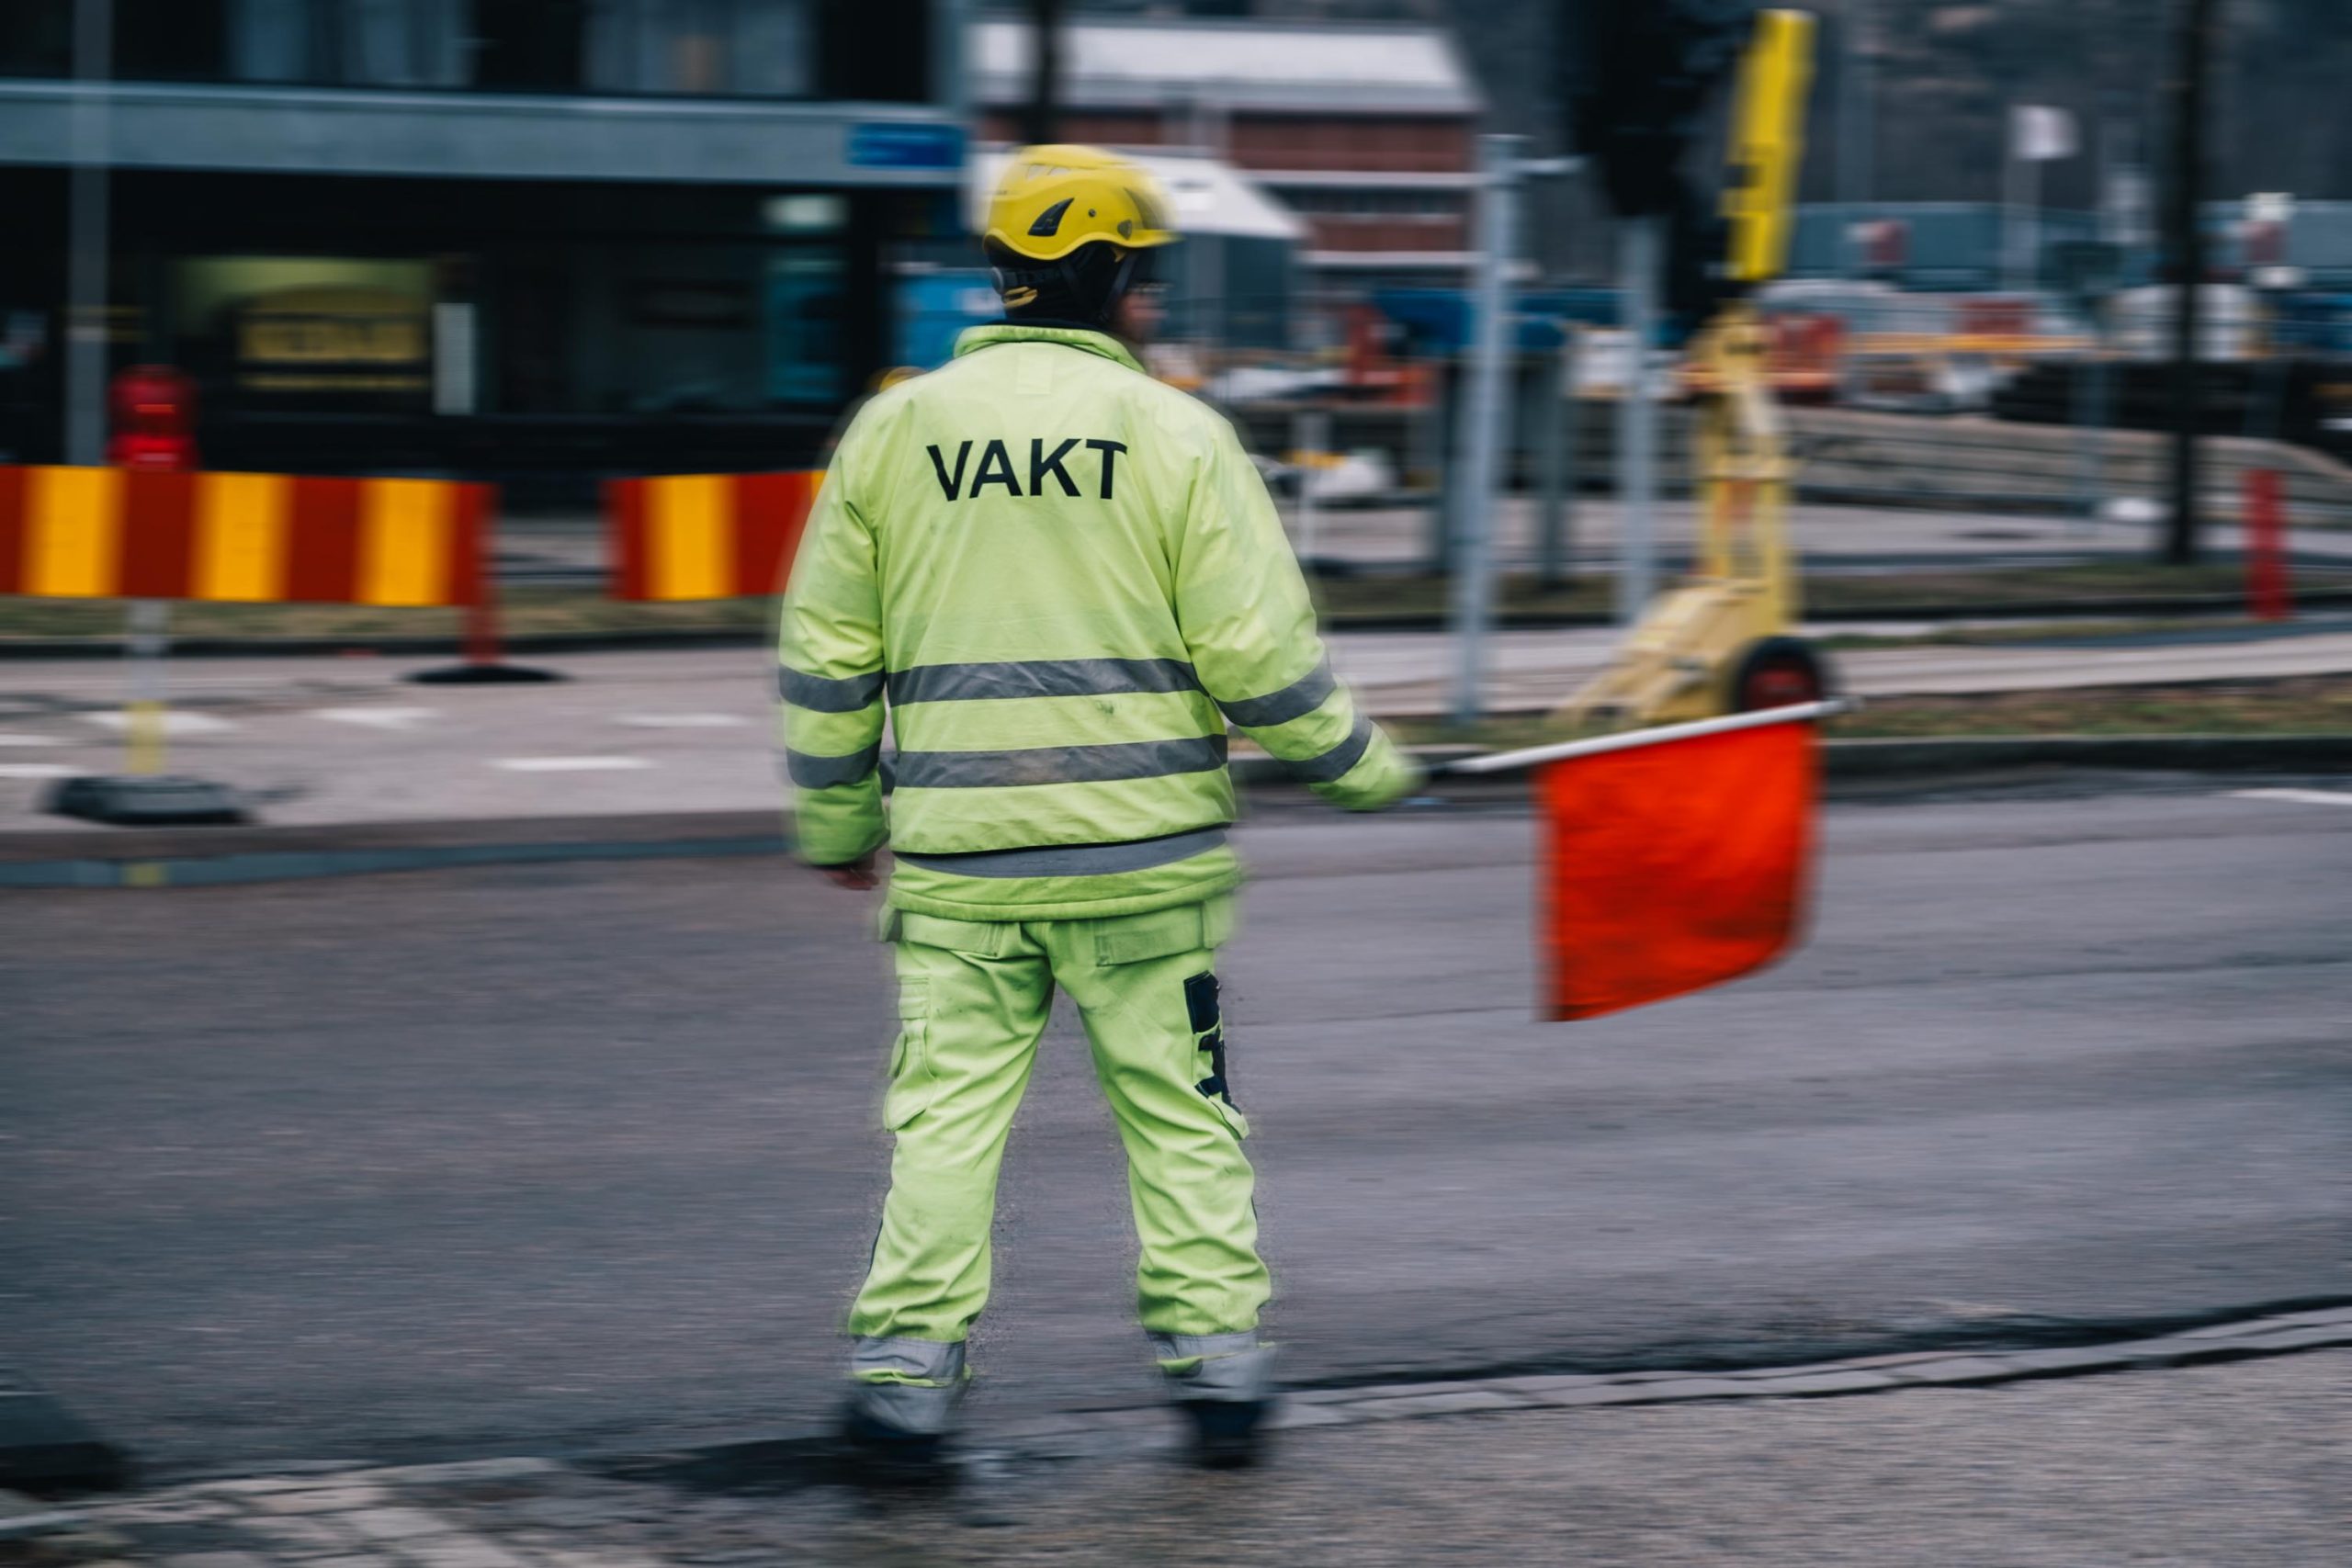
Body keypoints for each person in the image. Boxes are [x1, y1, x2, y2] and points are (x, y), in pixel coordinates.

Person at [777, 145, 1421, 1472]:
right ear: (1114, 274)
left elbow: (827, 656)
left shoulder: (895, 431)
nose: (1155, 300)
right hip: (1146, 875)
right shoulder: (1180, 435)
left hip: (963, 873)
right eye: (1150, 276)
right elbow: (1259, 659)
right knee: (1182, 1115)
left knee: (945, 1124)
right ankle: (1221, 1377)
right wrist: (1362, 767)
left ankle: (904, 1386)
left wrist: (842, 828)